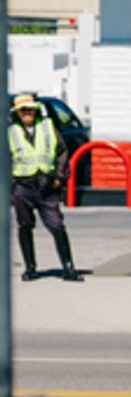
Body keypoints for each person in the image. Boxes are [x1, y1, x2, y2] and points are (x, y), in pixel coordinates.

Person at [8, 94, 80, 282]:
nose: (27, 113)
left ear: (36, 110)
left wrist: (59, 177)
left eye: (30, 109)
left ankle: (68, 267)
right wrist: (11, 184)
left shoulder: (48, 127)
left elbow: (62, 151)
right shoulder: (10, 132)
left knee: (57, 225)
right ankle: (30, 268)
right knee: (24, 226)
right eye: (23, 110)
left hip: (47, 185)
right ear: (17, 113)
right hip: (23, 186)